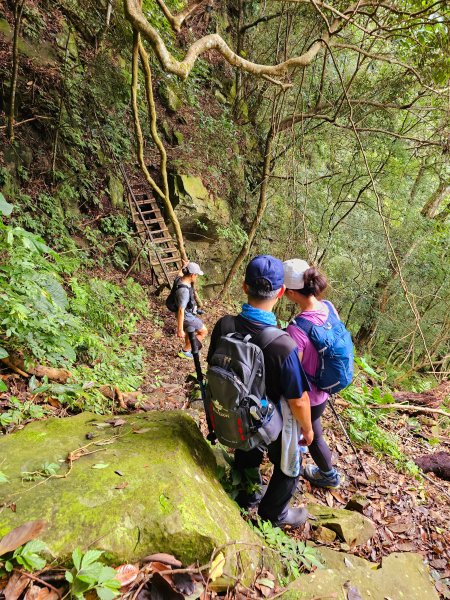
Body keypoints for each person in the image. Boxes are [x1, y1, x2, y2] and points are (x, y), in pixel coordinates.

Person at [207, 255, 313, 527]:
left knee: (248, 443)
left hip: (236, 415)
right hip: (270, 420)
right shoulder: (282, 345)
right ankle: (274, 514)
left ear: (244, 287)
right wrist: (308, 430)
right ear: (280, 292)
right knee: (290, 466)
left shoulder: (225, 325)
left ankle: (248, 491)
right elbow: (298, 400)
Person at [283, 259, 342, 489]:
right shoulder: (328, 306)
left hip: (309, 396)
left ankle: (327, 476)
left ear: (289, 293)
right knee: (313, 432)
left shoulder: (297, 328)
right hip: (326, 385)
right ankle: (323, 470)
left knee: (312, 435)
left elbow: (292, 372)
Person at [175, 261, 208, 359]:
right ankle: (185, 350)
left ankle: (187, 350)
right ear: (192, 275)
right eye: (196, 275)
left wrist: (184, 265)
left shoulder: (178, 280)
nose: (197, 277)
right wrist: (180, 330)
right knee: (204, 331)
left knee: (190, 331)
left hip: (185, 315)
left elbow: (179, 273)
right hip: (186, 317)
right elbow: (181, 310)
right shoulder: (184, 291)